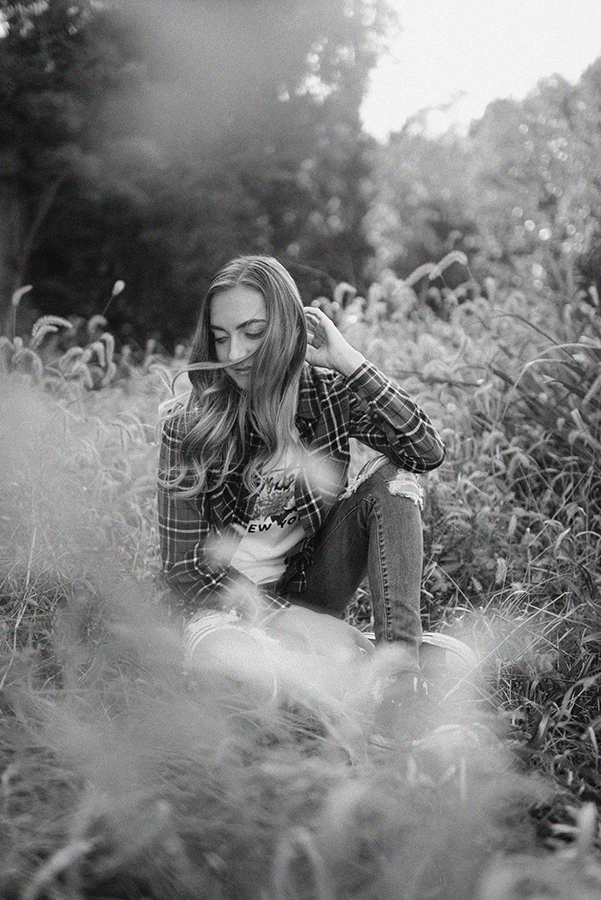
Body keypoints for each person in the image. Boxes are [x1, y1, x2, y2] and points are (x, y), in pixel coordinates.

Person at [157, 255, 446, 687]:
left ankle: (399, 680)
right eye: (221, 338)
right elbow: (185, 572)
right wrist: (291, 622)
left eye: (252, 333)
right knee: (246, 680)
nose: (234, 355)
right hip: (218, 610)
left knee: (394, 479)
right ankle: (337, 668)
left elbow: (424, 451)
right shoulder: (188, 424)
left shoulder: (328, 397)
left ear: (289, 329)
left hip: (307, 591)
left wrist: (350, 361)